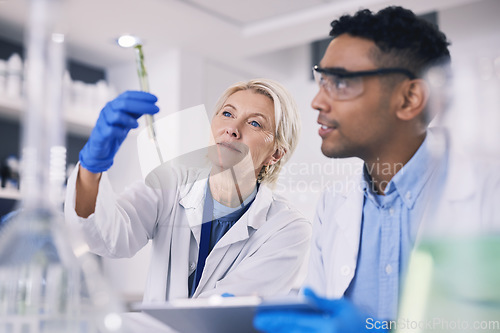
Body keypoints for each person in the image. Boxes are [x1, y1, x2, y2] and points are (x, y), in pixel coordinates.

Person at [254, 6, 459, 332]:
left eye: (341, 83)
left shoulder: (486, 196)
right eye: (322, 81)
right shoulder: (333, 203)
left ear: (409, 99)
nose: (317, 102)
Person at [64, 78, 312, 302]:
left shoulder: (287, 228)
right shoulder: (171, 183)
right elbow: (103, 238)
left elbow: (225, 313)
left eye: (255, 123)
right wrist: (91, 167)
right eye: (227, 113)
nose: (232, 129)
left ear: (276, 154)